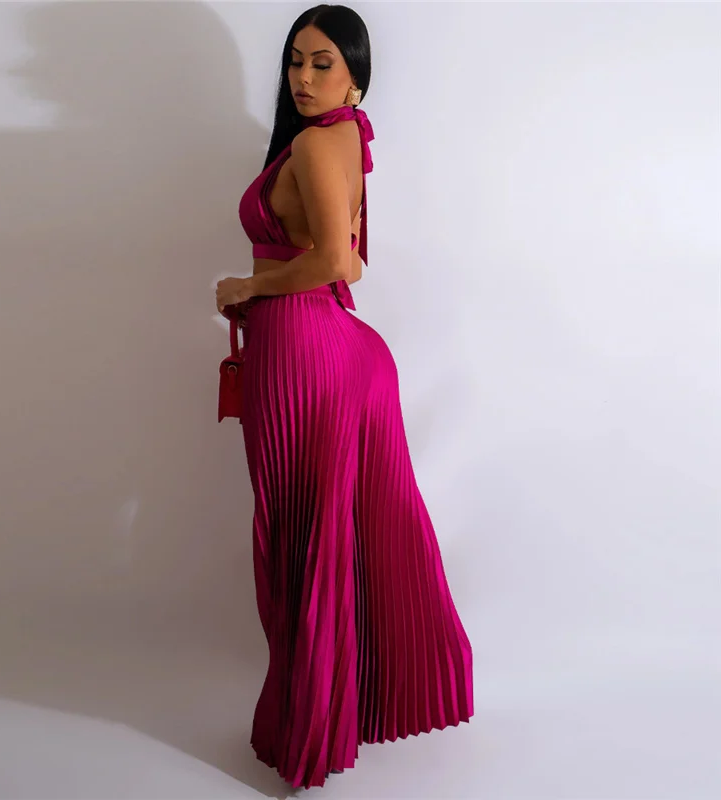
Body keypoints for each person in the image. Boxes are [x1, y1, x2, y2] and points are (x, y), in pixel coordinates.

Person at [215, 4, 474, 790]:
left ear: (356, 77)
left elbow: (339, 261)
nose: (302, 76)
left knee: (306, 541)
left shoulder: (319, 141)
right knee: (323, 537)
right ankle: (329, 716)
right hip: (319, 351)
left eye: (322, 62)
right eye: (295, 60)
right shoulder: (335, 139)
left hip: (308, 354)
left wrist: (246, 286)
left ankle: (314, 733)